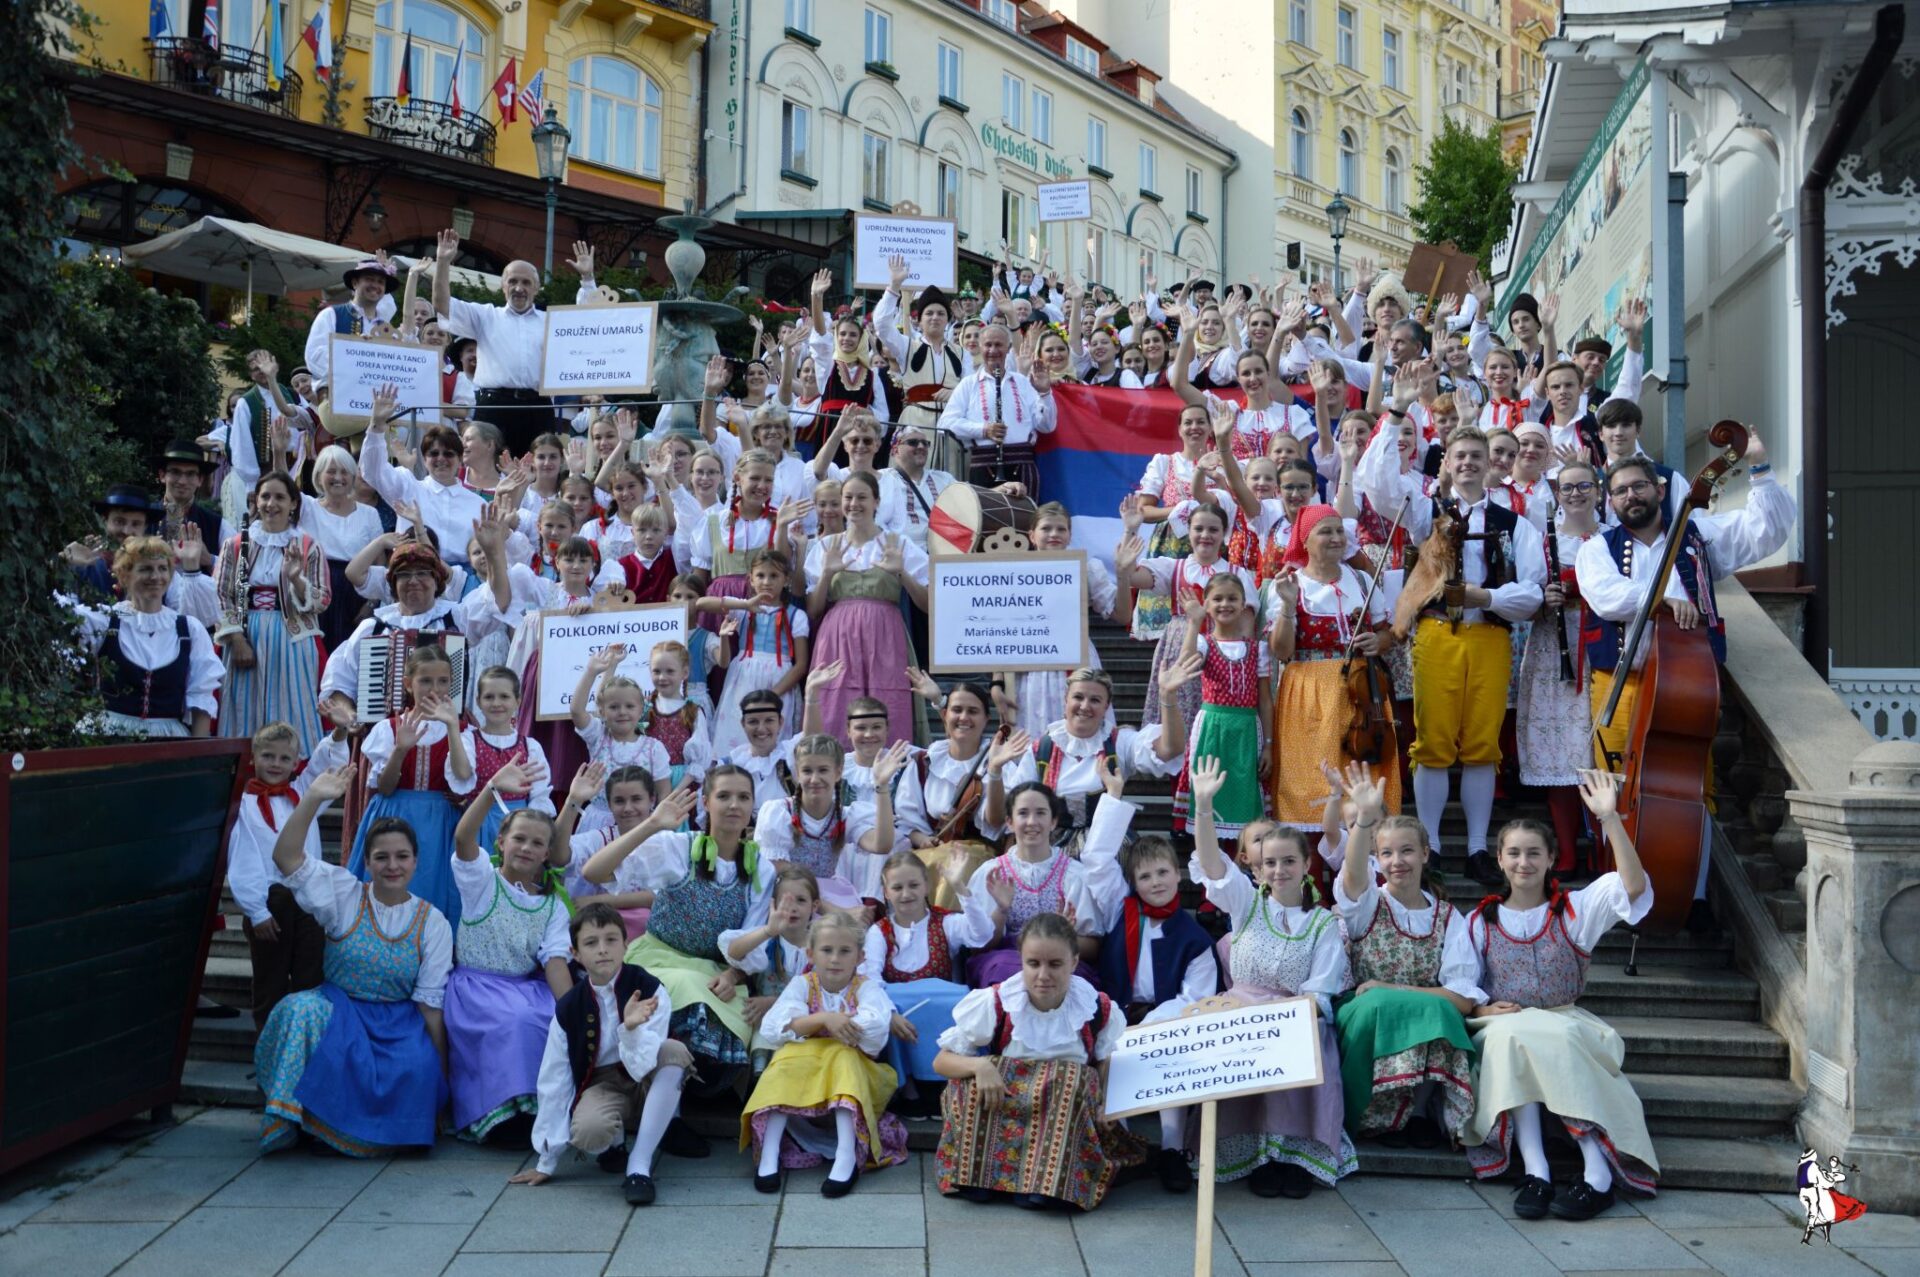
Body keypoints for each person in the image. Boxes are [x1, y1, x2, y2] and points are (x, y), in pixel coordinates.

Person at [1575, 442, 1795, 889]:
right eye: (1620, 491)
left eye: (1639, 486)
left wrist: (1759, 468)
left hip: (1687, 684)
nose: (1631, 496)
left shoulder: (1699, 537)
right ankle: (1618, 887)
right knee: (1612, 789)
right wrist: (1664, 600)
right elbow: (1606, 596)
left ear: (1659, 489)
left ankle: (1687, 894)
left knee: (1694, 785)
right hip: (1622, 680)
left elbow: (1764, 531)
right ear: (1610, 501)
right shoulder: (1596, 548)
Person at [1461, 771, 1659, 1220]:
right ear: (1499, 858)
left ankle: (1597, 1174)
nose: (1523, 862)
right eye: (1514, 853)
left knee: (1544, 1040)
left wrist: (1609, 819)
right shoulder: (1478, 921)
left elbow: (1632, 888)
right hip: (1503, 1025)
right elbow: (1463, 985)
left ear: (1552, 858)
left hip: (1565, 1019)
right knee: (1513, 1038)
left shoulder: (1575, 909)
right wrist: (1482, 1006)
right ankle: (1537, 1169)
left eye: (1534, 853)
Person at [1358, 420, 1546, 885]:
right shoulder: (1426, 512)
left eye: (1476, 458)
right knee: (1433, 745)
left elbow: (1534, 593)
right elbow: (1379, 487)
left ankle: (1480, 849)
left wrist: (1484, 598)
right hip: (1437, 635)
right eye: (1459, 457)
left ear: (1490, 467)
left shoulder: (1514, 524)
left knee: (1482, 747)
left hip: (1490, 636)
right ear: (1447, 463)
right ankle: (1433, 846)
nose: (1468, 464)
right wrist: (1395, 412)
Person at [253, 763, 451, 1156]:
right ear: (367, 861)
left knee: (416, 1065)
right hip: (339, 1008)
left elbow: (430, 1006)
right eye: (381, 857)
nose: (392, 866)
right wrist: (312, 799)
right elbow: (287, 857)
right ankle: (297, 1119)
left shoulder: (433, 922)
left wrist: (440, 1079)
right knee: (298, 1010)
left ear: (416, 862)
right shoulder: (344, 894)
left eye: (401, 857)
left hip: (398, 1019)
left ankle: (374, 1132)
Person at [1187, 758, 1356, 1197]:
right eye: (1270, 863)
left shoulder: (1321, 924)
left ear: (1304, 866)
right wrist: (1204, 807)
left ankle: (1291, 1154)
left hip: (1295, 1011)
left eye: (1288, 862)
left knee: (1309, 1032)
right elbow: (1212, 864)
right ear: (1257, 869)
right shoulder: (1245, 904)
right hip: (1242, 1005)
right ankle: (1256, 1155)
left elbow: (1320, 988)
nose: (1278, 870)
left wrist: (1290, 1015)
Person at [932, 911, 1145, 1211]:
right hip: (1005, 1106)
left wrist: (1107, 1102)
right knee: (965, 1086)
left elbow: (1106, 1061)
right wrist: (979, 1066)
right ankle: (979, 1175)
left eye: (1055, 964)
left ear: (1074, 962)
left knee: (1070, 1080)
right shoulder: (998, 1002)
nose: (1043, 975)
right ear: (1021, 960)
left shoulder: (1095, 1008)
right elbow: (941, 1062)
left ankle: (1049, 1183)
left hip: (1059, 1115)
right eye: (1033, 963)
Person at [580, 772, 771, 1085]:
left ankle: (680, 1091)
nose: (734, 805)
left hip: (716, 973)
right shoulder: (679, 847)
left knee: (731, 1025)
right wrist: (652, 824)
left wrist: (732, 975)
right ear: (706, 803)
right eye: (723, 796)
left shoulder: (759, 867)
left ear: (753, 805)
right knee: (687, 989)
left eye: (743, 797)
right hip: (659, 961)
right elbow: (593, 871)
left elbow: (752, 938)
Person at [511, 901, 698, 1206]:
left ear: (626, 944)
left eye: (611, 940)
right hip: (602, 1083)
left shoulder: (649, 988)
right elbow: (554, 1079)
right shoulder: (570, 1007)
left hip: (645, 1073)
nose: (602, 949)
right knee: (588, 1134)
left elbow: (644, 1063)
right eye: (590, 943)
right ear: (575, 954)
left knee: (674, 1052)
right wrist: (547, 1161)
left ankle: (638, 1166)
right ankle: (614, 1142)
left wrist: (632, 1029)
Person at [1333, 763, 1481, 1146]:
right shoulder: (1369, 904)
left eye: (1406, 851)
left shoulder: (1448, 917)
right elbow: (1351, 880)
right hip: (1366, 1005)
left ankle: (1416, 1113)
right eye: (1386, 853)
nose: (1397, 861)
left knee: (1435, 1010)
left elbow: (1462, 998)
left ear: (1426, 853)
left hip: (1406, 1004)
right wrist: (1364, 820)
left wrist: (1394, 988)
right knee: (1384, 1005)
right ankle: (1374, 1113)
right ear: (1376, 859)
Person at [445, 759, 573, 1143]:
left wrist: (573, 1008)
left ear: (547, 853)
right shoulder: (482, 881)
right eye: (519, 839)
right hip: (477, 988)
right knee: (514, 1021)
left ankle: (539, 1110)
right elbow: (464, 838)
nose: (526, 848)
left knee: (550, 1017)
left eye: (537, 843)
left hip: (524, 985)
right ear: (501, 842)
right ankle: (498, 1113)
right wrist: (491, 790)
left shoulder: (551, 904)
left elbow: (554, 960)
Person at [741, 909, 909, 1196]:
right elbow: (773, 1027)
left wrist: (836, 1024)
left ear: (859, 957)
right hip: (806, 1075)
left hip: (854, 1074)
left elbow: (874, 1029)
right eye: (827, 950)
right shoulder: (802, 985)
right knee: (782, 1061)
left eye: (845, 951)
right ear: (811, 954)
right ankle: (769, 1153)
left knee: (842, 1056)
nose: (834, 959)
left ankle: (847, 1154)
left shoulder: (865, 989)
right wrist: (823, 1019)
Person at [1266, 504, 1399, 830]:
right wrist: (1286, 605)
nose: (1336, 537)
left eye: (1339, 530)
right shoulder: (1288, 584)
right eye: (1325, 531)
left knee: (1363, 779)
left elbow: (1388, 635)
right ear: (1305, 539)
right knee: (1311, 780)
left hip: (1364, 694)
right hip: (1310, 692)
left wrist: (1377, 642)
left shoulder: (1362, 580)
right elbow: (1281, 650)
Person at [227, 719, 350, 1028]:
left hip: (308, 899)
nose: (276, 764)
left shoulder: (302, 793)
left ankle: (303, 1054)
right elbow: (243, 858)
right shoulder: (244, 804)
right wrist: (256, 910)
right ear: (253, 758)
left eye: (285, 758)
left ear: (296, 762)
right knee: (271, 984)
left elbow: (327, 763)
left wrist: (338, 734)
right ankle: (270, 1062)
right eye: (268, 756)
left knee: (310, 980)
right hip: (271, 902)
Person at [433, 234, 601, 453]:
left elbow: (589, 322)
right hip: (494, 407)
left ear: (536, 288)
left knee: (538, 474)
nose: (518, 287)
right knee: (486, 470)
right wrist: (443, 262)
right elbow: (441, 304)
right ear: (503, 286)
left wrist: (587, 278)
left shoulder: (551, 321)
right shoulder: (485, 316)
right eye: (512, 281)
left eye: (525, 282)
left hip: (537, 407)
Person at [963, 771, 1131, 987]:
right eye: (1023, 813)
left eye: (1041, 813)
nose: (1032, 822)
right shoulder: (991, 874)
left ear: (1053, 822)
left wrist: (1066, 936)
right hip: (1006, 962)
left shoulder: (1074, 875)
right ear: (1009, 822)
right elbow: (979, 947)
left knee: (1074, 979)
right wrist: (1001, 911)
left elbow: (1094, 948)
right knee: (1002, 973)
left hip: (1059, 961)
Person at [994, 665, 1193, 848]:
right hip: (1051, 847)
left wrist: (1168, 696)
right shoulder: (1042, 749)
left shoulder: (1119, 742)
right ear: (1066, 700)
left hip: (1106, 844)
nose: (1085, 706)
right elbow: (1016, 803)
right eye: (1078, 697)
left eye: (1095, 700)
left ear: (1106, 706)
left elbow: (1170, 749)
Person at [1515, 460, 1604, 869]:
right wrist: (1543, 598)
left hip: (1601, 647)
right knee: (1561, 751)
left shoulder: (1612, 537)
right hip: (1554, 648)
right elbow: (1525, 594)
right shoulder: (1539, 540)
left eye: (1583, 486)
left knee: (1597, 749)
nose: (1574, 494)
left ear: (1598, 489)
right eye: (1565, 488)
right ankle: (1567, 851)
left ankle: (1604, 849)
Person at [347, 645, 473, 927]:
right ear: (408, 684)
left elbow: (464, 781)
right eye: (425, 681)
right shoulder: (389, 728)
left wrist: (452, 727)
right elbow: (386, 787)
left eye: (443, 681)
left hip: (440, 822)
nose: (435, 689)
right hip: (394, 813)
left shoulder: (463, 730)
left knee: (433, 888)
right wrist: (400, 750)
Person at [805, 473, 926, 746]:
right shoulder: (826, 546)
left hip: (885, 637)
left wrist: (902, 573)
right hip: (838, 637)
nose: (853, 504)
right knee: (834, 702)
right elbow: (813, 610)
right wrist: (826, 574)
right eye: (848, 497)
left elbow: (928, 604)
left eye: (862, 497)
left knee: (889, 704)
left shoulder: (897, 543)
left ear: (876, 502)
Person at [213, 472, 330, 754]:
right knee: (242, 706)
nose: (271, 503)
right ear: (256, 500)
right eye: (265, 496)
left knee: (290, 704)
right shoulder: (236, 544)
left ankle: (294, 775)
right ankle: (242, 776)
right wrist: (237, 640)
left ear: (293, 503)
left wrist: (296, 579)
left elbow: (323, 599)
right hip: (245, 635)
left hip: (291, 637)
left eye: (280, 497)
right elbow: (218, 595)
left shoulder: (307, 546)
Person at [866, 849, 994, 1100]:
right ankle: (908, 1087)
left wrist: (960, 889)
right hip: (904, 1023)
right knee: (887, 999)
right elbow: (869, 978)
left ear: (926, 885)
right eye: (897, 887)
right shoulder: (878, 932)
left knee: (959, 999)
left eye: (913, 884)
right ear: (886, 892)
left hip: (941, 1022)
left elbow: (983, 934)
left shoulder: (944, 922)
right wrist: (889, 1013)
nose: (906, 893)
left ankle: (949, 1081)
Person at [1116, 498, 1253, 733]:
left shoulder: (1237, 573)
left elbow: (1247, 629)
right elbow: (1132, 575)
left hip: (1223, 650)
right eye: (1198, 529)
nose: (1205, 535)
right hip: (1180, 647)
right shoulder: (1174, 567)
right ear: (1188, 531)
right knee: (1177, 712)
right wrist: (1130, 530)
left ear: (1223, 533)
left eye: (1213, 529)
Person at [65, 535, 221, 740]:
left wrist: (197, 757)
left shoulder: (189, 629)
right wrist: (63, 563)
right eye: (145, 568)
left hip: (169, 739)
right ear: (124, 575)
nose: (156, 577)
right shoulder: (105, 622)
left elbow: (201, 699)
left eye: (162, 568)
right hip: (108, 737)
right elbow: (55, 613)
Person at [998, 503, 1121, 739]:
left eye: (1061, 529)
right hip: (1030, 665)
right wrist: (998, 682)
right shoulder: (1014, 570)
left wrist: (1123, 574)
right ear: (1032, 535)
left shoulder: (1086, 567)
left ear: (1069, 534)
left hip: (1076, 659)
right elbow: (1002, 630)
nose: (1054, 534)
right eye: (1046, 528)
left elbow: (1120, 614)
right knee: (1035, 737)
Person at [752, 733, 904, 909]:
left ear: (838, 773)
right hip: (788, 898)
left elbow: (881, 845)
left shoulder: (845, 815)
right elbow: (782, 875)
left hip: (830, 893)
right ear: (797, 774)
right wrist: (836, 912)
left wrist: (882, 786)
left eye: (823, 770)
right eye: (807, 771)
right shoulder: (779, 813)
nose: (815, 779)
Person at [1170, 574, 1270, 837]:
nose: (1225, 604)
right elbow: (1185, 665)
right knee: (1211, 790)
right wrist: (1194, 623)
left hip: (1247, 730)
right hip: (1213, 729)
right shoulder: (1204, 642)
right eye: (1217, 599)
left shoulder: (1258, 649)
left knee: (1245, 797)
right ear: (1207, 604)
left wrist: (1270, 744)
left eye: (1232, 598)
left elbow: (1265, 700)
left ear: (1243, 604)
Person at [359, 387, 500, 569]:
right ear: (425, 460)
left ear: (460, 460)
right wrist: (377, 425)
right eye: (433, 454)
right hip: (412, 571)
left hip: (460, 582)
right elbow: (372, 471)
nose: (441, 459)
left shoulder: (477, 504)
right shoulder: (407, 487)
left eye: (448, 454)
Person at [710, 549, 809, 757]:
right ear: (751, 580)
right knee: (736, 731)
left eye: (774, 576)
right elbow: (701, 604)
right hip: (743, 680)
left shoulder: (796, 616)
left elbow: (801, 664)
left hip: (779, 681)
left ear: (786, 580)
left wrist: (773, 695)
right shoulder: (744, 609)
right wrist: (744, 604)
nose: (767, 582)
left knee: (774, 737)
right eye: (761, 576)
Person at [938, 320, 1055, 495]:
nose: (993, 351)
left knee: (1025, 521)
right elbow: (945, 424)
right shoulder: (968, 384)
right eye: (988, 345)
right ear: (980, 347)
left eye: (999, 345)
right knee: (985, 521)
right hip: (984, 466)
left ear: (1008, 348)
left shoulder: (1022, 382)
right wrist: (983, 430)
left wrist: (1045, 393)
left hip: (1021, 464)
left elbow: (1047, 426)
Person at [1128, 404, 1211, 641]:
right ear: (1180, 429)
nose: (1194, 427)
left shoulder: (1222, 463)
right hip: (1172, 547)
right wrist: (1178, 509)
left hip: (1212, 544)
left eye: (1200, 422)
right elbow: (1144, 510)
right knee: (1171, 628)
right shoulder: (1165, 462)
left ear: (1210, 427)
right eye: (1188, 422)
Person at [568, 647, 675, 827]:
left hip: (639, 823)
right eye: (614, 707)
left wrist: (656, 826)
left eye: (629, 706)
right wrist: (591, 672)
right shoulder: (598, 737)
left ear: (641, 709)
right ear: (602, 711)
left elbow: (664, 792)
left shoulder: (654, 748)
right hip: (599, 822)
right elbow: (576, 711)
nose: (622, 712)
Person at [300, 445, 385, 650]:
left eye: (344, 471)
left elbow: (379, 562)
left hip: (355, 592)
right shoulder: (307, 507)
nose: (338, 477)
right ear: (319, 475)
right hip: (316, 587)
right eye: (331, 471)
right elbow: (282, 487)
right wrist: (279, 452)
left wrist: (372, 603)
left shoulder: (369, 514)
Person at [873, 260, 966, 432]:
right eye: (929, 313)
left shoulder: (961, 353)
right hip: (915, 425)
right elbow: (881, 325)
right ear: (920, 320)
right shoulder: (907, 347)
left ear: (947, 319)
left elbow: (972, 390)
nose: (935, 317)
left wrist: (955, 395)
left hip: (952, 426)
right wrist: (894, 286)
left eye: (940, 313)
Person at [303, 254, 399, 393]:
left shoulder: (383, 325)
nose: (376, 286)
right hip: (338, 397)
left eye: (380, 282)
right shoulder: (331, 314)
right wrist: (353, 354)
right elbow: (314, 357)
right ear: (355, 283)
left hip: (373, 399)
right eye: (369, 279)